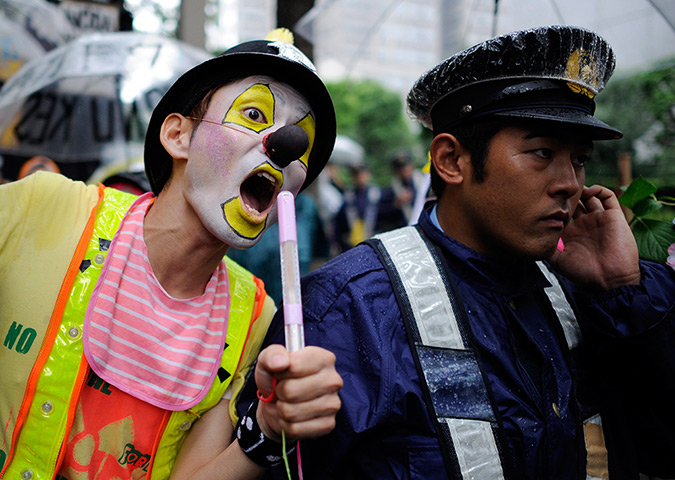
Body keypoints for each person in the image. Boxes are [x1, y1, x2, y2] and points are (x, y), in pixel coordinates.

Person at [236, 25, 675, 479]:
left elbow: (659, 450)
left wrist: (623, 292)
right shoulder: (349, 308)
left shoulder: (590, 290)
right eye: (542, 152)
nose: (570, 183)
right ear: (450, 161)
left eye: (580, 159)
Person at [0, 31, 342, 479]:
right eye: (254, 114)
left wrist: (266, 429)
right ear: (178, 135)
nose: (287, 146)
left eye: (303, 142)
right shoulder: (42, 208)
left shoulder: (255, 316)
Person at [333, 163, 381, 252]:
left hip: (374, 241)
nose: (360, 178)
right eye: (357, 175)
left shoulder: (377, 195)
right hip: (352, 243)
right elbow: (338, 222)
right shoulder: (348, 197)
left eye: (362, 175)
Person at [377, 151, 425, 230]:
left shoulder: (423, 181)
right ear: (395, 171)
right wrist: (397, 203)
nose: (404, 170)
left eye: (406, 166)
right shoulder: (391, 189)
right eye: (400, 168)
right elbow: (382, 213)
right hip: (404, 228)